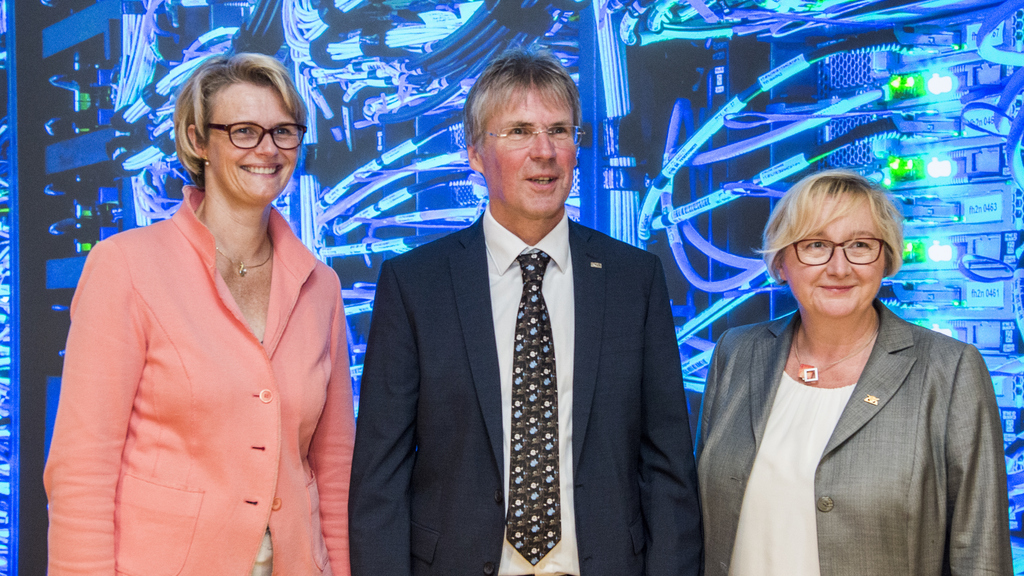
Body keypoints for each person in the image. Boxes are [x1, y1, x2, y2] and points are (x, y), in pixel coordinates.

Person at [348, 48, 702, 576]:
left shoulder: (635, 280)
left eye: (560, 131)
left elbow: (668, 466)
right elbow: (381, 477)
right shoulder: (416, 285)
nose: (545, 152)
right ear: (474, 152)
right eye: (518, 131)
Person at [44, 53, 355, 575]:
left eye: (284, 132)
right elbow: (82, 472)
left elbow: (334, 471)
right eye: (243, 131)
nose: (267, 150)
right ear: (196, 140)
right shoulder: (125, 266)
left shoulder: (320, 285)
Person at [695, 169, 1012, 575]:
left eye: (860, 245)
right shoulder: (736, 353)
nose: (839, 267)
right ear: (781, 261)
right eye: (815, 245)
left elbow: (980, 552)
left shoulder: (949, 371)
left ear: (887, 258)